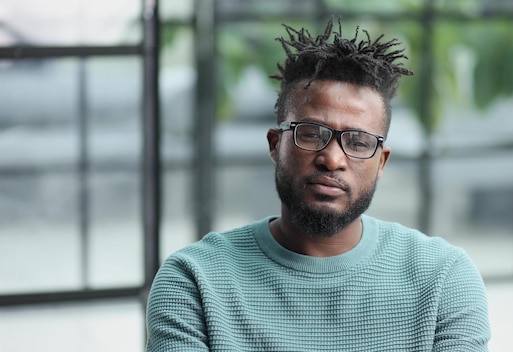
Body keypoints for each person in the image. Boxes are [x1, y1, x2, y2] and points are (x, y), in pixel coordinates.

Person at [146, 17, 491, 351]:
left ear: (381, 162)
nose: (333, 158)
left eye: (358, 142)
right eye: (310, 134)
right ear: (274, 145)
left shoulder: (443, 279)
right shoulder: (194, 281)